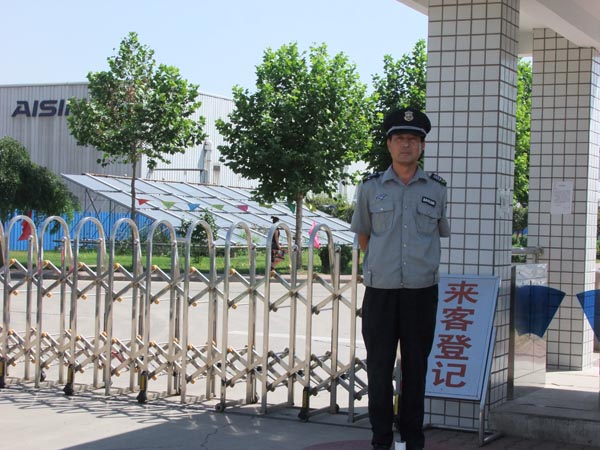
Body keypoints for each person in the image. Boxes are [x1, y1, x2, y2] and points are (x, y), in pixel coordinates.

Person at [350, 108, 450, 450]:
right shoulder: (370, 188)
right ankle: (381, 439)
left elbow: (436, 233)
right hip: (380, 292)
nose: (406, 145)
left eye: (413, 139)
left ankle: (412, 439)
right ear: (389, 144)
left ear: (422, 146)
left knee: (416, 370)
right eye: (400, 139)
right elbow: (364, 235)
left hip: (421, 292)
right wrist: (384, 264)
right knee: (378, 369)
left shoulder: (436, 188)